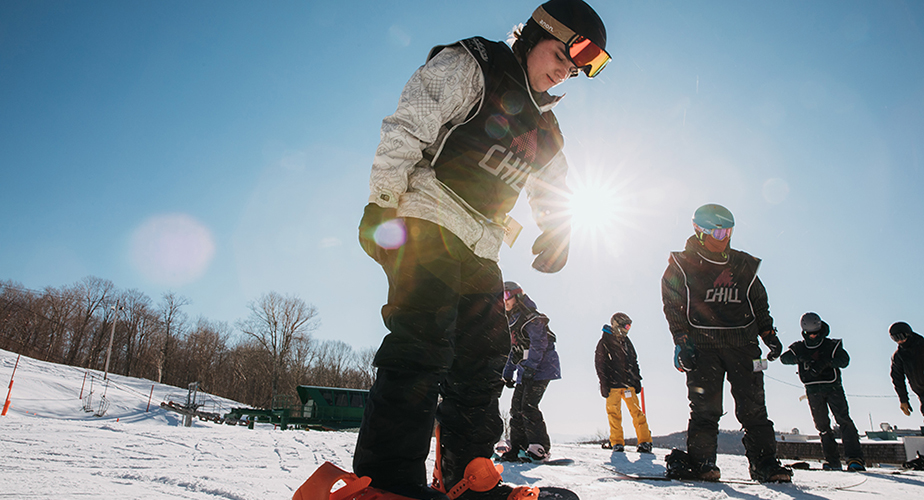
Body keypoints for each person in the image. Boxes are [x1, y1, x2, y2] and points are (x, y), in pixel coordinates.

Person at [354, 1, 610, 499]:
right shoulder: (475, 63)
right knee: (423, 342)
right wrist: (381, 202)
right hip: (426, 218)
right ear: (534, 36)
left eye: (573, 70)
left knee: (484, 360)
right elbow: (409, 124)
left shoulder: (547, 130)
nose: (563, 72)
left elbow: (553, 188)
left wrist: (558, 232)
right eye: (560, 55)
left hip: (480, 245)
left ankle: (468, 481)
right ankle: (385, 483)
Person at [660, 204, 791, 483]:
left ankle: (765, 464)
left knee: (754, 408)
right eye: (718, 231)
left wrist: (768, 334)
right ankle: (702, 463)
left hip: (744, 345)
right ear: (700, 232)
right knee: (706, 409)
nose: (725, 237)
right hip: (702, 346)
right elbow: (673, 305)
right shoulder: (682, 264)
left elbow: (758, 301)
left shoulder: (743, 264)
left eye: (729, 230)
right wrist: (682, 341)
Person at [780, 312, 865, 471]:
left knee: (844, 420)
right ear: (804, 332)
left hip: (833, 388)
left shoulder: (831, 345)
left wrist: (827, 363)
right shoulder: (799, 347)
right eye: (810, 334)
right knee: (822, 426)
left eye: (816, 333)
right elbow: (784, 359)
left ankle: (855, 458)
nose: (813, 336)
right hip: (812, 390)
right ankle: (832, 460)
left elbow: (844, 360)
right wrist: (801, 358)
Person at [498, 281, 561, 463]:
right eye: (501, 297)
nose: (504, 301)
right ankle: (518, 446)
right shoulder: (511, 322)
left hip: (542, 368)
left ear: (517, 296)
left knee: (528, 405)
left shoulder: (532, 318)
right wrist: (508, 373)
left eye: (507, 296)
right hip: (525, 369)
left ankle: (539, 447)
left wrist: (531, 367)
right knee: (516, 408)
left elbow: (538, 344)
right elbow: (514, 350)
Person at [594, 312, 653, 453]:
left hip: (628, 386)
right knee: (614, 414)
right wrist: (603, 383)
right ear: (617, 325)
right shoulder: (605, 342)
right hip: (612, 386)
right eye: (626, 326)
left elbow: (634, 361)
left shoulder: (626, 342)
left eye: (629, 327)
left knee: (637, 413)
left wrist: (637, 379)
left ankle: (645, 441)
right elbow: (600, 364)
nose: (627, 329)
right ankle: (617, 442)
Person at [889, 321, 924, 422]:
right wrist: (903, 400)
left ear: (908, 334)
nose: (899, 341)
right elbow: (897, 378)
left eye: (901, 336)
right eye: (895, 338)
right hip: (922, 392)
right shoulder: (899, 356)